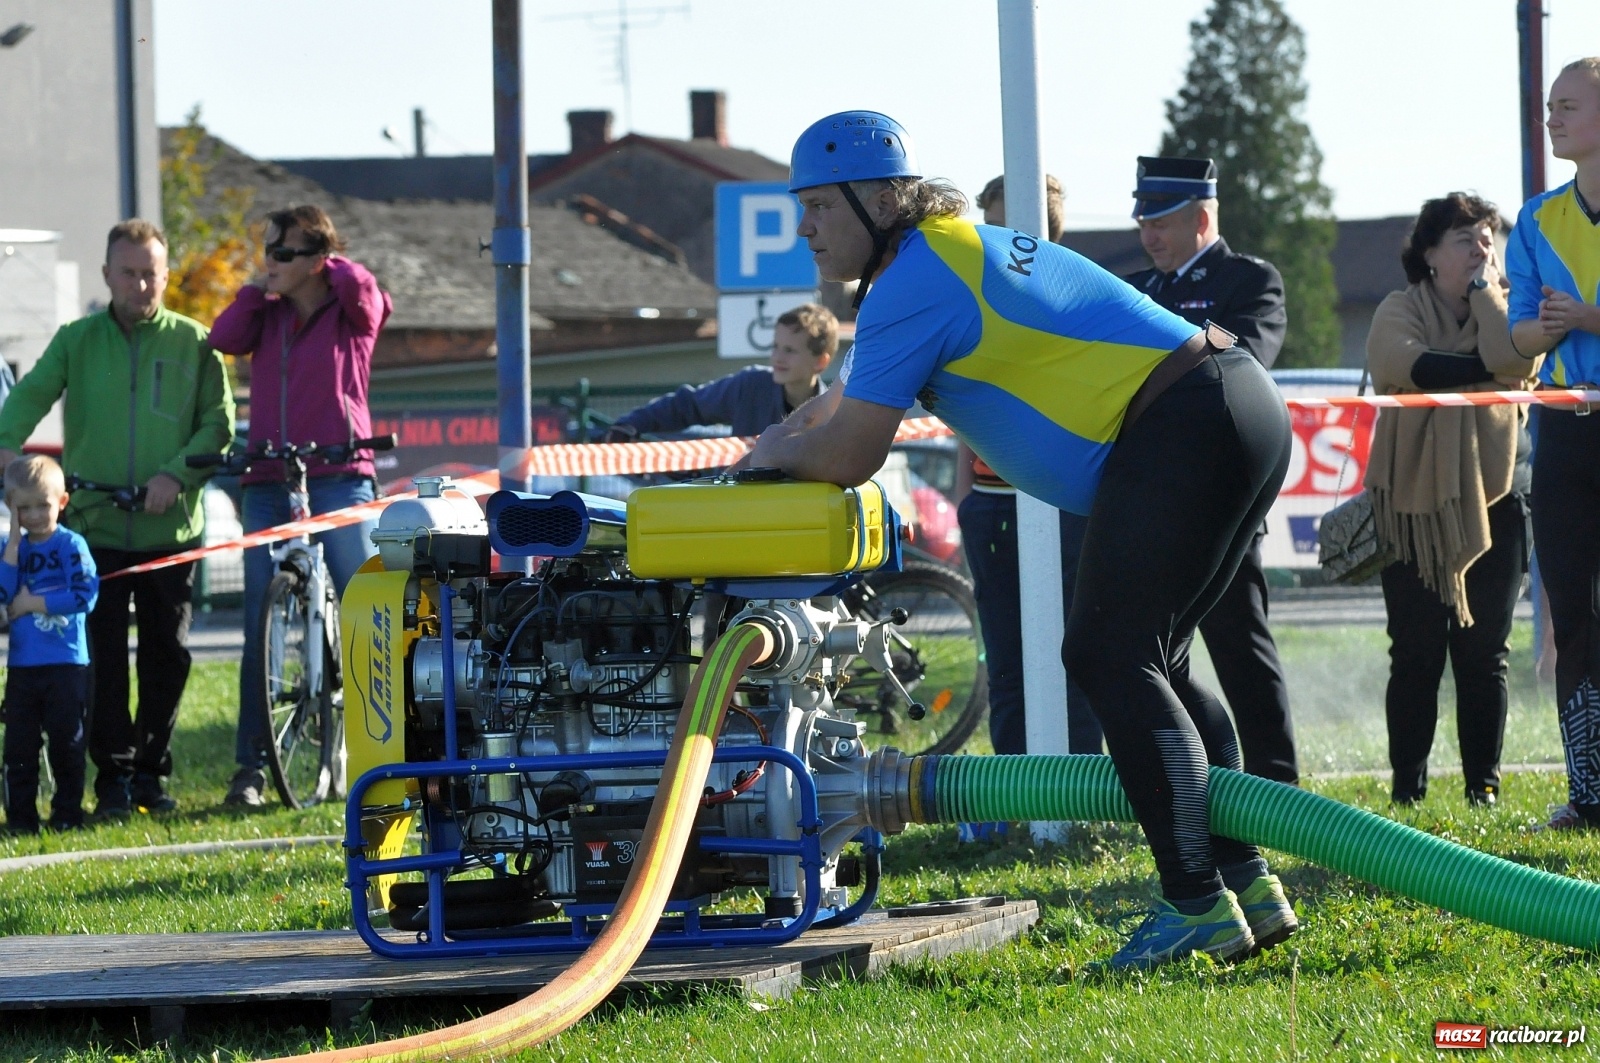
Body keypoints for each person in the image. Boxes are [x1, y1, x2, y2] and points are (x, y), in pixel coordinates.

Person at [747, 110, 1295, 970]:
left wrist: (768, 457)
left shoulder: (913, 277)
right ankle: (1244, 885)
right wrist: (778, 443)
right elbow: (833, 408)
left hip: (1190, 415)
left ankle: (1197, 900)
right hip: (1226, 399)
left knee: (1112, 656)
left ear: (878, 199)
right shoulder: (937, 253)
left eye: (818, 205)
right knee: (1159, 660)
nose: (804, 227)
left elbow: (848, 450)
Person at [0, 219, 235, 819]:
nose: (140, 284)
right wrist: (11, 458)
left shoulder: (196, 341)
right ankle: (113, 781)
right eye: (128, 273)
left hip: (168, 534)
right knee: (101, 663)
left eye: (151, 273)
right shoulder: (76, 340)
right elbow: (25, 401)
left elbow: (218, 425)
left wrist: (175, 475)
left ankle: (151, 777)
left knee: (167, 658)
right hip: (95, 534)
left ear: (166, 275)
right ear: (107, 275)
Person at [1122, 156, 1298, 785]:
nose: (1148, 234)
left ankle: (1277, 786)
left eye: (1161, 221)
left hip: (1218, 494)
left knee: (1238, 644)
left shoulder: (1247, 280)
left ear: (1201, 217)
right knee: (1156, 654)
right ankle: (1188, 777)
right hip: (1149, 496)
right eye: (1143, 220)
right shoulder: (1138, 288)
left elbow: (1242, 358)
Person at [209, 205, 391, 808]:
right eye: (267, 251)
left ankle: (386, 755)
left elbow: (370, 294)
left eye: (283, 253)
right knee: (261, 623)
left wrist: (328, 262)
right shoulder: (266, 314)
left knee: (364, 603)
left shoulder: (350, 310)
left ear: (318, 260)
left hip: (340, 476)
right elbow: (223, 337)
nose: (270, 263)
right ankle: (252, 772)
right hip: (270, 477)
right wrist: (258, 293)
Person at [1366, 194, 1538, 807]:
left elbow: (1513, 357)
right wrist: (1487, 372)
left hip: (1499, 504)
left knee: (1484, 654)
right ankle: (1406, 788)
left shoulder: (1508, 307)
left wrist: (1489, 298)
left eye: (1487, 237)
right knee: (1415, 653)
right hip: (1413, 510)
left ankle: (1482, 787)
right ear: (1431, 254)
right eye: (1465, 238)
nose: (1481, 248)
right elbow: (1407, 365)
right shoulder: (1396, 308)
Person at [957, 174, 1103, 756]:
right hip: (993, 510)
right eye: (987, 225)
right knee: (1008, 662)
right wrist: (966, 497)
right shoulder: (972, 299)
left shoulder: (1077, 295)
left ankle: (1083, 792)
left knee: (1079, 653)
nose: (994, 239)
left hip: (1066, 508)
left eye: (1007, 226)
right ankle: (1018, 799)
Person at [1506, 56, 1600, 831]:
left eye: (1568, 104)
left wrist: (1586, 318)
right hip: (1563, 430)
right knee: (1571, 614)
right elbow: (1522, 333)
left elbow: (1566, 317)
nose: (1553, 117)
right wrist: (1552, 325)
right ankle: (1590, 791)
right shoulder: (1535, 218)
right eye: (1549, 106)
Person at [0, 455, 99, 833]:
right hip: (24, 667)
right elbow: (4, 590)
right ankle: (22, 820)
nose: (35, 515)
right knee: (19, 747)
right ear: (12, 509)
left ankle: (68, 815)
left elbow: (84, 596)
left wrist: (32, 604)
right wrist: (12, 539)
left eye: (43, 504)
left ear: (61, 501)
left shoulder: (72, 545)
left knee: (66, 743)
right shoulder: (15, 551)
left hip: (66, 663)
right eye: (24, 508)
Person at [606, 303, 838, 439]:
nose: (777, 357)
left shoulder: (833, 416)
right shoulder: (749, 386)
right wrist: (632, 423)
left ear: (820, 362)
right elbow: (689, 405)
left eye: (790, 350)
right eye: (775, 346)